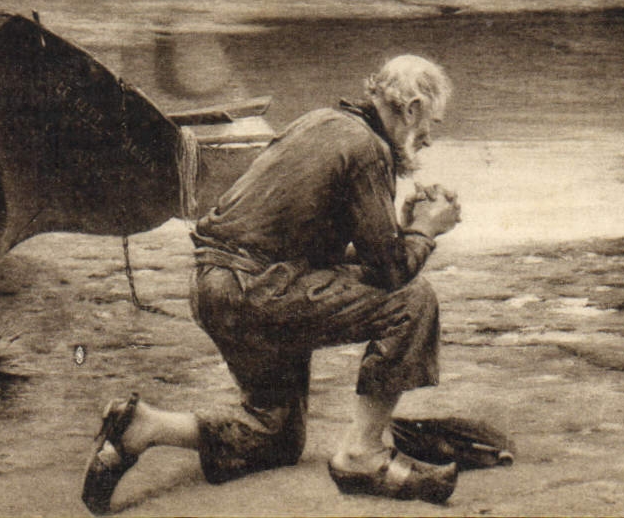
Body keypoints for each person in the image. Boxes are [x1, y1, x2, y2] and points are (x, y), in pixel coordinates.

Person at [81, 56, 464, 513]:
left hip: (218, 288)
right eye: (430, 123)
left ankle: (144, 427)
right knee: (413, 301)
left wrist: (398, 233)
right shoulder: (367, 148)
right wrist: (426, 228)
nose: (428, 137)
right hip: (255, 290)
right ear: (412, 108)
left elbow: (313, 244)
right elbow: (393, 275)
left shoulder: (321, 122)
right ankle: (363, 454)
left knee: (275, 436)